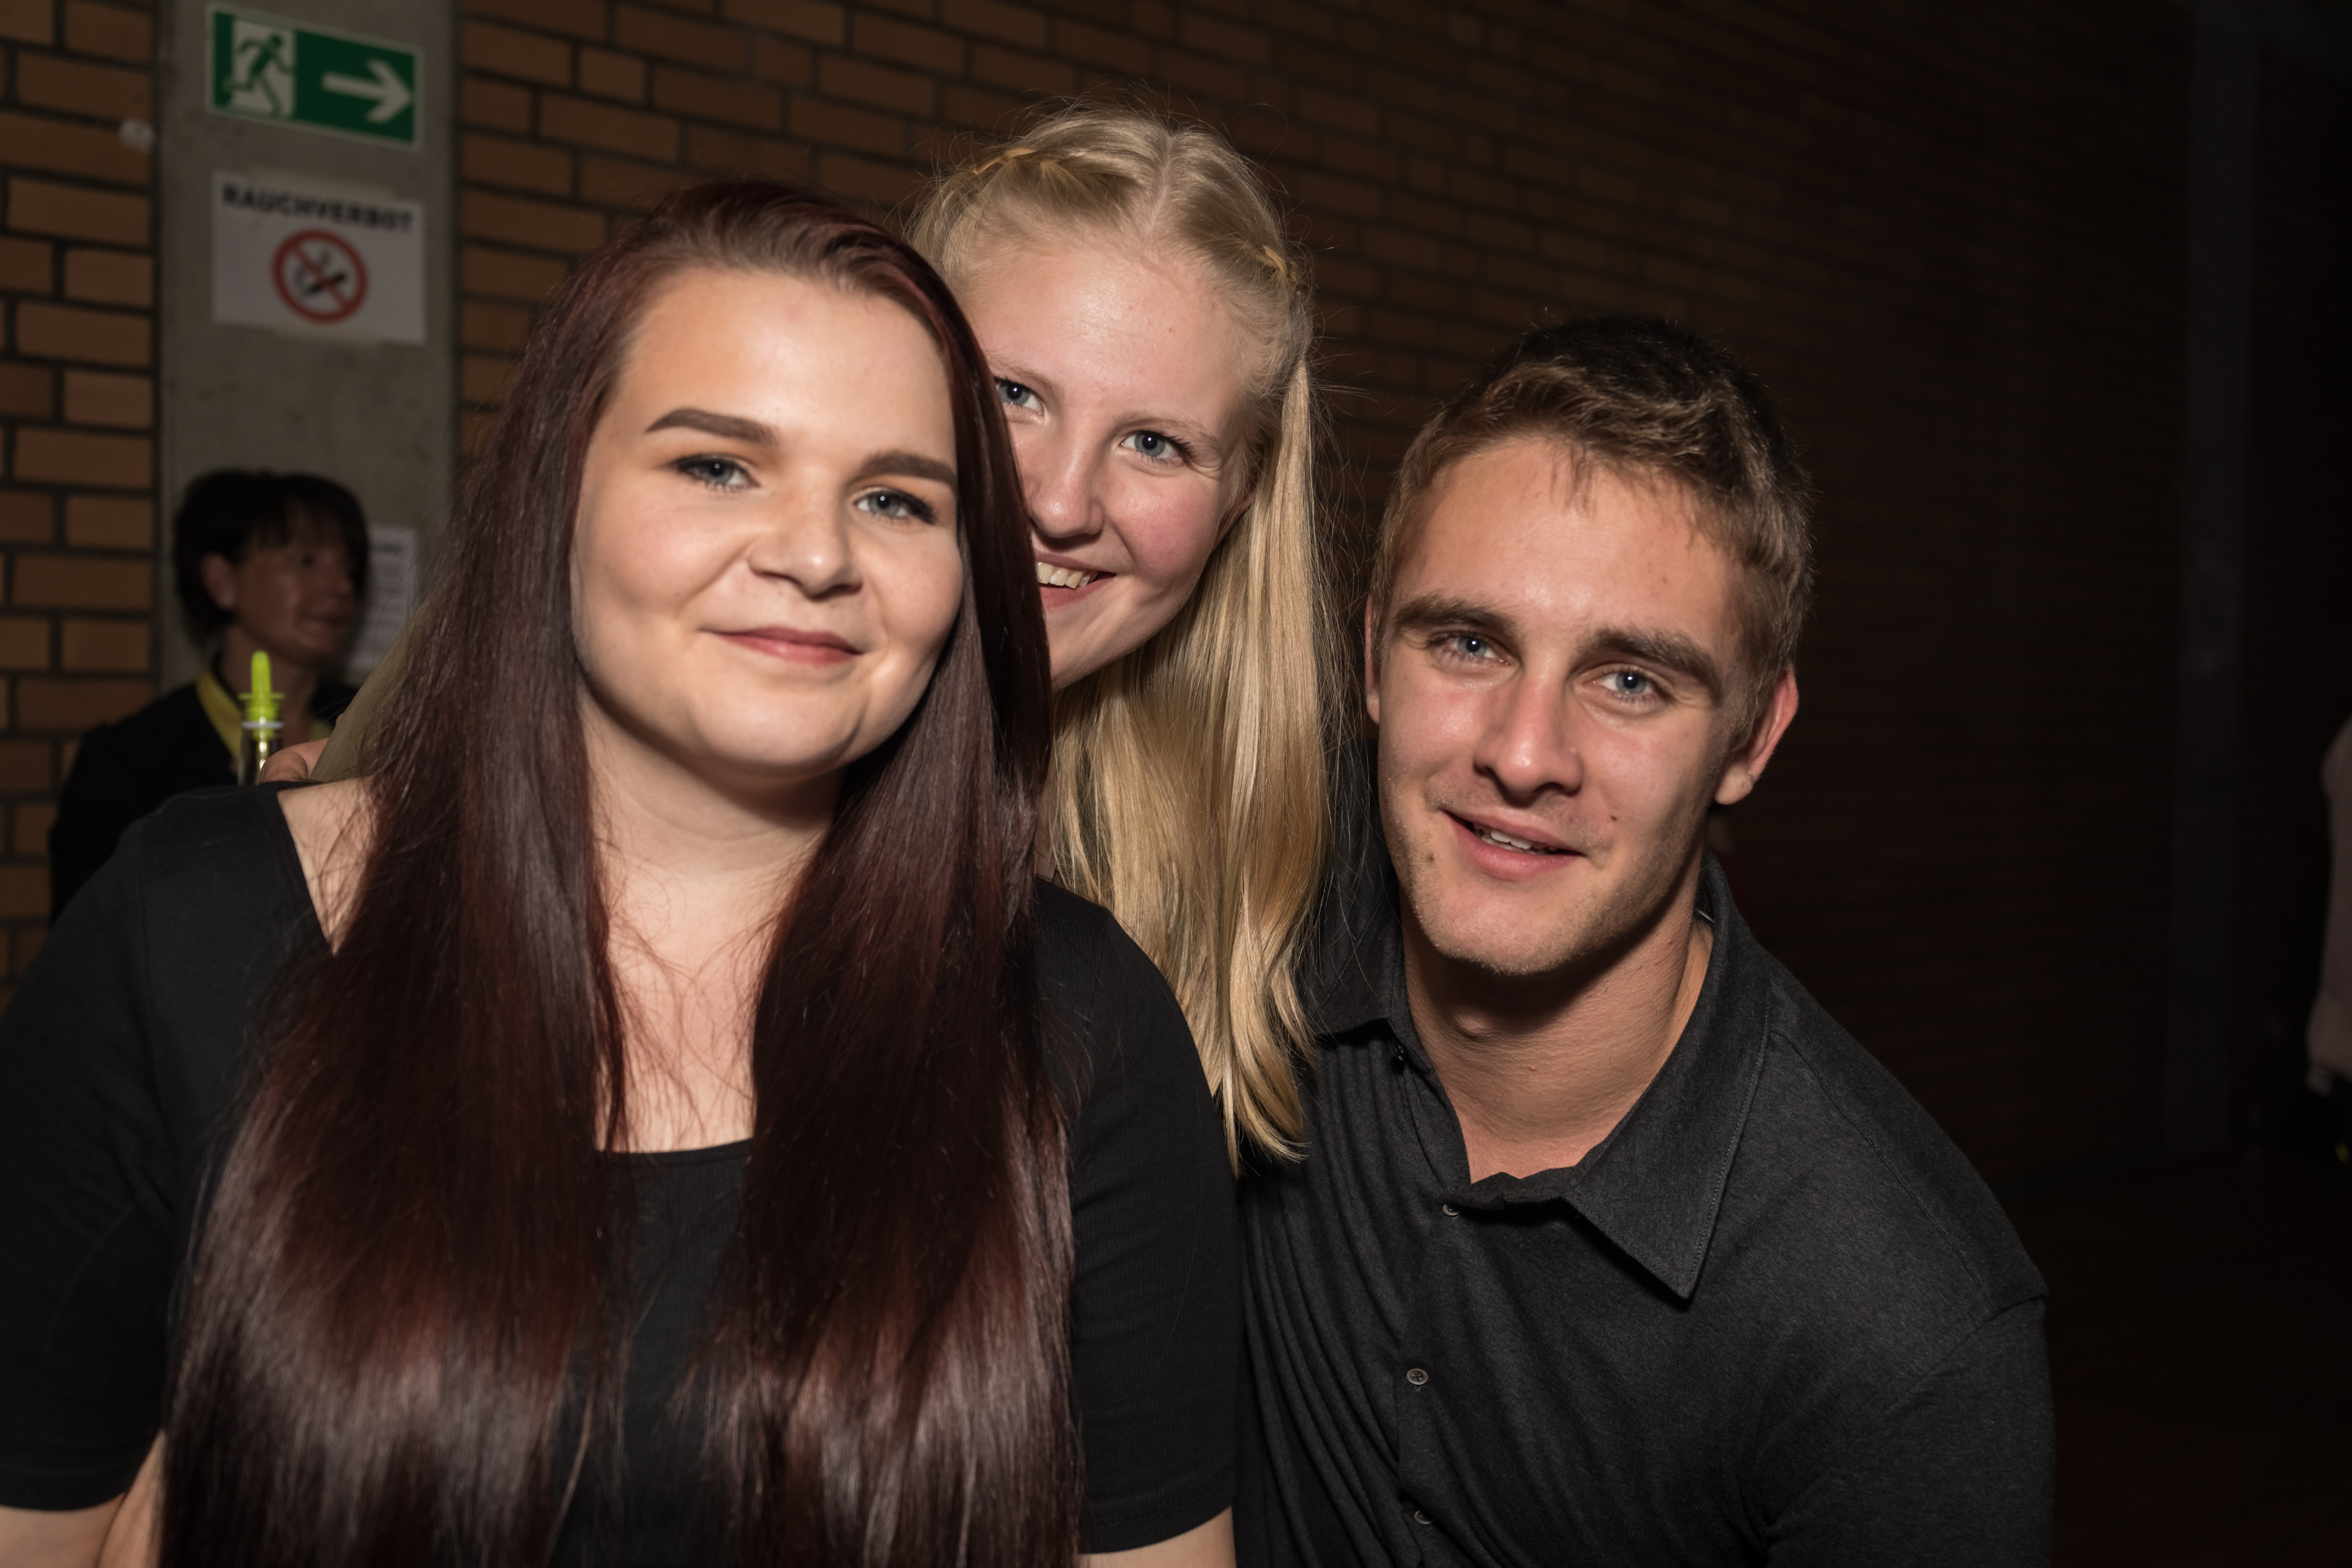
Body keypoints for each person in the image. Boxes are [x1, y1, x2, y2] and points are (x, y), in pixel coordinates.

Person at [0, 184, 1237, 1567]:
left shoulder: (1081, 1022)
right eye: (717, 465)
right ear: (556, 492)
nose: (815, 554)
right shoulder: (193, 928)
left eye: (895, 498)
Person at [295, 103, 1339, 1167]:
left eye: (1156, 444)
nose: (1062, 502)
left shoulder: (1275, 868)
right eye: (1012, 394)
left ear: (1240, 499)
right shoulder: (575, 668)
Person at [1237, 317, 2055, 1565]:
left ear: (1750, 739)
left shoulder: (1904, 1338)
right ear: (1370, 659)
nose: (1522, 754)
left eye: (1630, 681)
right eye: (1469, 643)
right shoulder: (1251, 912)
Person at [48, 469, 365, 914]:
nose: (341, 587)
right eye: (305, 561)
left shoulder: (376, 725)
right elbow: (94, 933)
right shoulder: (128, 762)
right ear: (222, 582)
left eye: (349, 567)